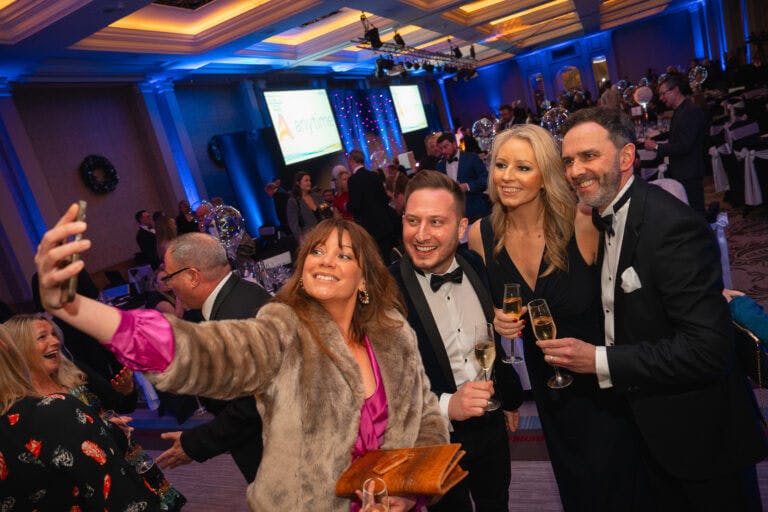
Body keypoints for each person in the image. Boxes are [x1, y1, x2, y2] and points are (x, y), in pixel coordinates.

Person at [35, 211, 448, 512]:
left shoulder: (391, 331)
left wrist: (408, 487)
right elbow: (201, 352)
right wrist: (74, 308)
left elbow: (425, 414)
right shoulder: (283, 328)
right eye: (317, 251)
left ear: (364, 279)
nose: (324, 260)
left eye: (343, 256)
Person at [549, 106, 767, 510]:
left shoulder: (670, 225)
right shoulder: (602, 218)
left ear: (627, 157)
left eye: (589, 156)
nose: (576, 170)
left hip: (700, 439)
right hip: (647, 428)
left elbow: (708, 352)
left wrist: (598, 360)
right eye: (569, 161)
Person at [468, 124, 645, 511]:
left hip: (604, 386)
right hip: (551, 390)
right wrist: (496, 320)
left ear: (546, 176)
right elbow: (482, 310)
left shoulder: (581, 222)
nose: (507, 177)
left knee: (625, 486)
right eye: (500, 165)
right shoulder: (481, 235)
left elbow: (632, 282)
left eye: (523, 167)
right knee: (577, 489)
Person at [392, 171, 524, 511]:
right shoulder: (387, 293)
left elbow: (488, 340)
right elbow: (386, 390)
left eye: (436, 222)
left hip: (490, 423)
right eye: (412, 220)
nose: (421, 235)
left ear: (462, 228)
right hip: (434, 438)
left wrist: (508, 398)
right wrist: (450, 405)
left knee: (497, 503)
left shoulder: (474, 264)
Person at [3, 314, 186, 511]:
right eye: (42, 337)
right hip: (93, 488)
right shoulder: (22, 405)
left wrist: (127, 390)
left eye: (54, 334)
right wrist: (101, 429)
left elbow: (120, 403)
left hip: (128, 463)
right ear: (20, 347)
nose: (55, 341)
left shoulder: (74, 371)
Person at [151, 232, 271, 483]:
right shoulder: (244, 291)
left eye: (171, 276)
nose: (169, 286)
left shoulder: (230, 318)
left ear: (193, 276)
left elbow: (250, 406)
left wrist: (194, 444)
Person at [643, 74, 708, 215]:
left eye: (663, 94)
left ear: (676, 90)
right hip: (683, 169)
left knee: (697, 214)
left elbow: (685, 146)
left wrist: (656, 147)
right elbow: (677, 137)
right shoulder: (680, 110)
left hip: (690, 170)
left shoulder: (690, 111)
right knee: (689, 213)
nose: (661, 98)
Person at [347, 149, 397, 261]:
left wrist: (347, 206)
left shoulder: (353, 180)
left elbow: (356, 205)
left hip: (369, 228)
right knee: (391, 257)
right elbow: (384, 198)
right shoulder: (374, 175)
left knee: (379, 261)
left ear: (351, 161)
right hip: (384, 224)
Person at [436, 133, 490, 222]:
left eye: (446, 147)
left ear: (454, 144)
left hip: (477, 211)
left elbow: (485, 179)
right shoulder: (440, 167)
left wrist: (467, 186)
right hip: (456, 216)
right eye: (441, 149)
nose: (443, 151)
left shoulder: (471, 157)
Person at [286, 171, 324, 245]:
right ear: (298, 183)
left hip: (324, 232)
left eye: (309, 180)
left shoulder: (317, 196)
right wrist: (301, 240)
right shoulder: (293, 201)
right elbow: (294, 225)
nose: (309, 183)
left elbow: (325, 213)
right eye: (306, 180)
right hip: (309, 238)